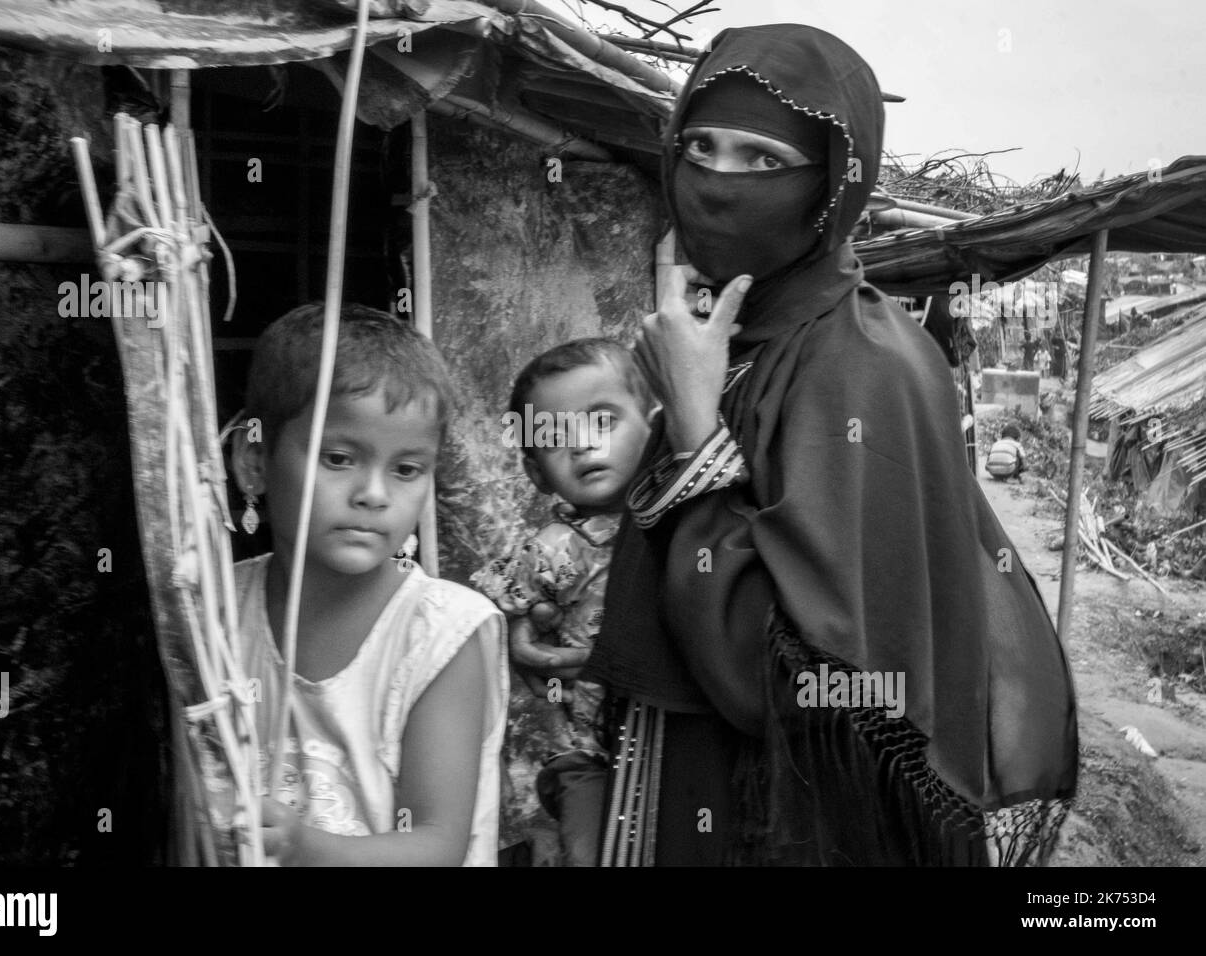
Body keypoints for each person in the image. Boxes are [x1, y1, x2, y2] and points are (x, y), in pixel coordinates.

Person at [513, 23, 1077, 866]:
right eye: (699, 147)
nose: (716, 183)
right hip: (686, 786)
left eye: (762, 160)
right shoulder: (736, 338)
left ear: (833, 189)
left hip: (787, 827)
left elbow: (797, 685)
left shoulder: (866, 366)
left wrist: (697, 426)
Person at [229, 303, 509, 866]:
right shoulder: (218, 611)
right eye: (339, 458)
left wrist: (302, 847)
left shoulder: (441, 634)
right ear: (254, 460)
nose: (374, 494)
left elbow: (436, 845)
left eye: (406, 469)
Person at [473, 338, 654, 866]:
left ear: (655, 424)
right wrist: (514, 636)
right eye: (555, 438)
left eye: (602, 422)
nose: (581, 445)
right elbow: (484, 616)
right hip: (587, 755)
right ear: (535, 473)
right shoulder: (552, 550)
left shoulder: (684, 525)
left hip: (672, 740)